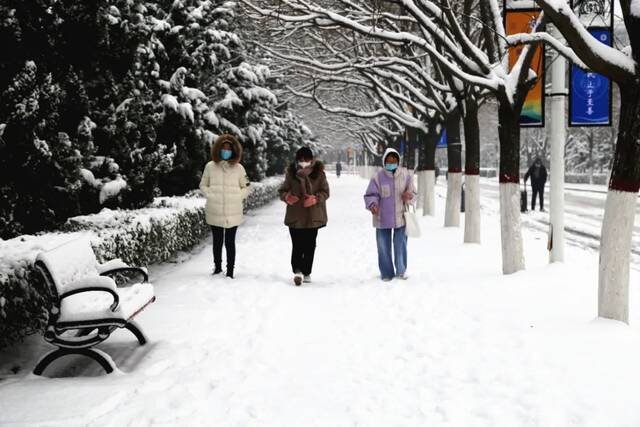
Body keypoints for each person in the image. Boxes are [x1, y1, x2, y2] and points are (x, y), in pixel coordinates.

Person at [199, 134, 250, 278]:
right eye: (223, 148)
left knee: (230, 242)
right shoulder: (210, 166)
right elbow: (203, 184)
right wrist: (210, 195)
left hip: (233, 211)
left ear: (233, 151)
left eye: (229, 149)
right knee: (217, 241)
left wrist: (237, 197)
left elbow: (246, 186)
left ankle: (231, 270)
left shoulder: (239, 168)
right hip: (214, 209)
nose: (226, 151)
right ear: (218, 149)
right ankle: (217, 267)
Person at [278, 147, 330, 286]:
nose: (304, 162)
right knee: (297, 244)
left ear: (312, 160)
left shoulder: (319, 174)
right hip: (295, 215)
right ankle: (297, 271)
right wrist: (287, 197)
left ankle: (307, 271)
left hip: (313, 216)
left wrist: (315, 198)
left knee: (310, 244)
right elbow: (282, 191)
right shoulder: (291, 173)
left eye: (306, 160)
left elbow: (325, 192)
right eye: (301, 160)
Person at [364, 148, 416, 282]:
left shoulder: (406, 175)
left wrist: (409, 196)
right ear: (384, 161)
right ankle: (386, 273)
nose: (391, 162)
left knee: (400, 245)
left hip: (401, 217)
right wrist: (372, 205)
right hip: (382, 218)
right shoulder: (377, 177)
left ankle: (401, 271)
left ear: (398, 161)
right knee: (383, 246)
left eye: (394, 160)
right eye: (389, 160)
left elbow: (413, 194)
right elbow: (370, 194)